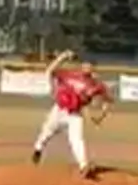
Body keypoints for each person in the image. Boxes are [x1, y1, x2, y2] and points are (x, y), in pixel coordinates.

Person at [31, 50, 112, 178]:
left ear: (93, 68)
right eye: (85, 64)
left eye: (90, 65)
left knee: (77, 139)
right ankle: (38, 148)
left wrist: (101, 117)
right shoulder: (70, 74)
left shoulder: (97, 85)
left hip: (75, 114)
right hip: (59, 110)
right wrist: (62, 57)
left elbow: (107, 101)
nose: (87, 67)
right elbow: (50, 70)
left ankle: (83, 166)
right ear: (81, 65)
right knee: (47, 132)